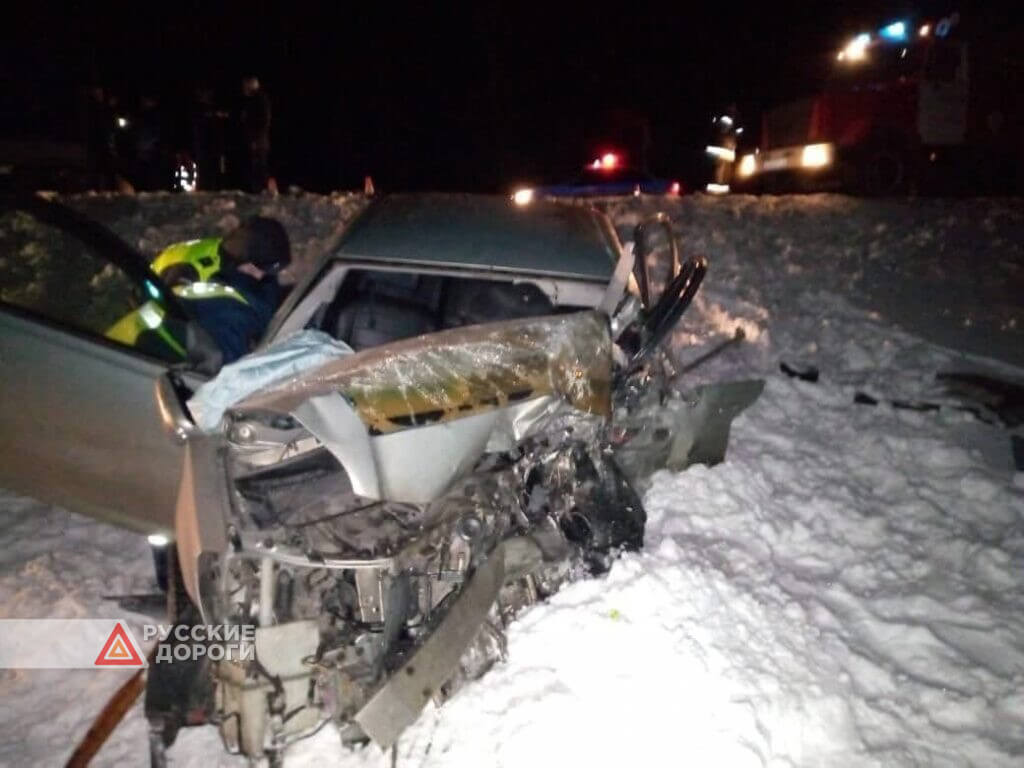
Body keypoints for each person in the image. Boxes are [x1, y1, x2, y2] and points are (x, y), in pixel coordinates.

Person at [179, 216, 294, 363]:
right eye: (260, 269)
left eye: (270, 272)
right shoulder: (227, 312)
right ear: (245, 263)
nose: (261, 276)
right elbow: (231, 374)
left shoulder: (262, 286)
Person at [240, 76, 272, 192]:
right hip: (257, 140)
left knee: (259, 167)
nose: (243, 89)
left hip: (258, 141)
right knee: (256, 167)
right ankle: (257, 189)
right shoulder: (253, 100)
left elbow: (263, 121)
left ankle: (261, 190)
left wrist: (255, 139)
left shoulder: (259, 100)